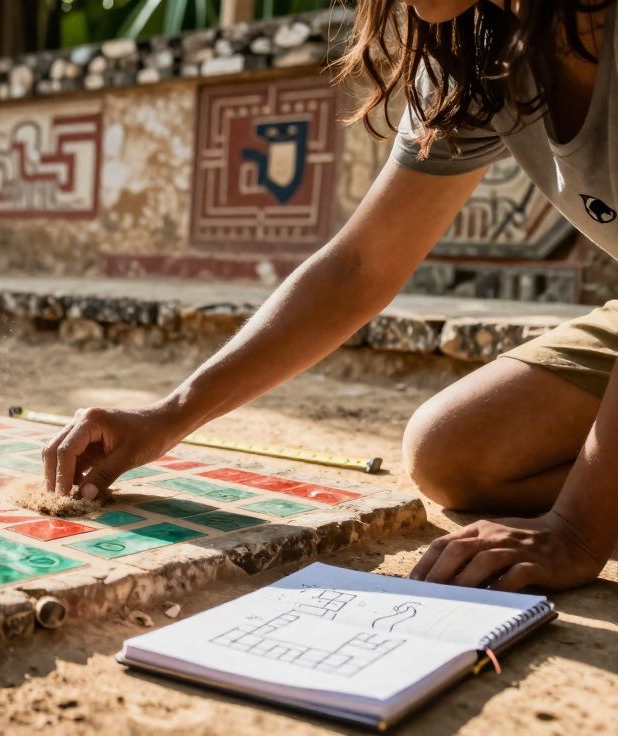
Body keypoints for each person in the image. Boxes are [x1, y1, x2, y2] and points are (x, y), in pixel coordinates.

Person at [43, 0, 616, 592]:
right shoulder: (476, 52)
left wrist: (576, 530)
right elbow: (360, 265)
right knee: (452, 452)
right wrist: (168, 416)